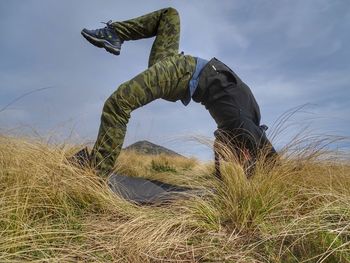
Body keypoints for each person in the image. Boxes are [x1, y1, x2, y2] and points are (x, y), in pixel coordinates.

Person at [72, 7, 277, 179]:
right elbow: (261, 153)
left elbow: (222, 150)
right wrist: (248, 172)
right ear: (249, 153)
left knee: (117, 104)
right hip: (180, 68)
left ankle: (96, 174)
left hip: (181, 73)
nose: (236, 160)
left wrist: (226, 177)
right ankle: (115, 34)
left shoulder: (240, 125)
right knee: (169, 15)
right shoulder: (246, 127)